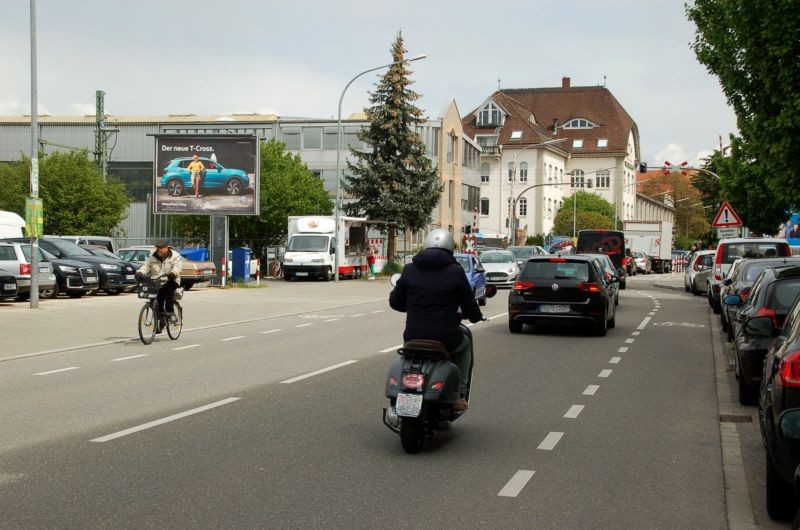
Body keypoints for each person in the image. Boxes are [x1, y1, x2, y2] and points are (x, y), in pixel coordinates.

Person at [389, 229, 484, 411]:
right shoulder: (455, 272)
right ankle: (460, 394)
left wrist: (411, 307)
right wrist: (475, 316)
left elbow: (395, 302)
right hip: (445, 337)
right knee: (465, 347)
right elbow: (468, 302)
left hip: (413, 336)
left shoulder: (409, 269)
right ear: (449, 248)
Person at [135, 240, 182, 320]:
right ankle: (160, 320)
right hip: (156, 281)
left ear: (166, 248)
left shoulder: (175, 255)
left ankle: (170, 311)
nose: (159, 250)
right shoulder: (153, 256)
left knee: (168, 289)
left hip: (171, 280)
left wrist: (173, 273)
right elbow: (146, 266)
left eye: (161, 248)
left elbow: (177, 267)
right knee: (156, 300)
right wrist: (140, 272)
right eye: (158, 248)